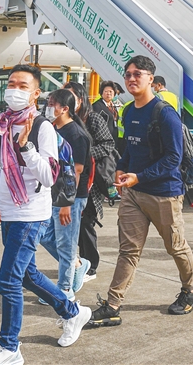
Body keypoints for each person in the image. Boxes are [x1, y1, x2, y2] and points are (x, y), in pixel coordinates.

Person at [0, 65, 91, 365]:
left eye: (23, 85)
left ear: (35, 93)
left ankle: (9, 348)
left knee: (8, 281)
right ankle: (73, 312)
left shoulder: (42, 128)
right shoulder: (6, 123)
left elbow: (49, 176)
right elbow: (5, 170)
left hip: (30, 215)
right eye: (11, 84)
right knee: (28, 275)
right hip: (10, 212)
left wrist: (26, 146)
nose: (14, 90)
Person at [88, 55, 193, 328]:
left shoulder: (165, 113)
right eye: (128, 74)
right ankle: (113, 305)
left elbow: (173, 158)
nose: (131, 78)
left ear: (151, 78)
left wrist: (139, 176)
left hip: (164, 194)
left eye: (137, 73)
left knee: (175, 247)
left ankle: (191, 290)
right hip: (134, 194)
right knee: (128, 251)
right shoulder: (128, 111)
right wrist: (121, 168)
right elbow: (131, 148)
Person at [39, 89, 91, 302]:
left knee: (66, 243)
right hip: (53, 193)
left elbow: (76, 171)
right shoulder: (52, 129)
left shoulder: (76, 135)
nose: (48, 107)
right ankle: (78, 264)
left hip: (71, 197)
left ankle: (64, 290)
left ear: (65, 109)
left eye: (52, 104)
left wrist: (66, 204)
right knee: (44, 235)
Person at [65, 81, 116, 285]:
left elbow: (108, 144)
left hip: (91, 182)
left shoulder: (92, 118)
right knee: (72, 226)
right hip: (69, 180)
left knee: (86, 224)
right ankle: (78, 263)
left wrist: (84, 155)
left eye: (71, 96)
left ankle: (91, 265)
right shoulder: (65, 119)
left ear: (81, 98)